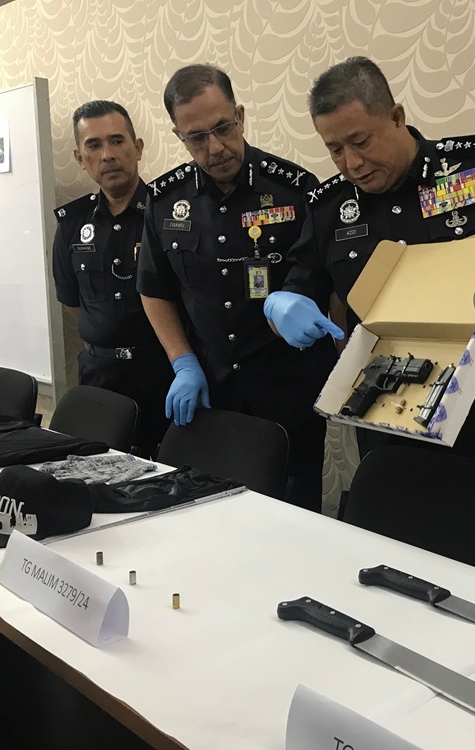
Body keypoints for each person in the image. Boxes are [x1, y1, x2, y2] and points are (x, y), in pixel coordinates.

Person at [263, 56, 475, 473]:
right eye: (334, 149)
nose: (351, 163)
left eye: (361, 141)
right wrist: (281, 307)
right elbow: (297, 290)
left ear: (397, 116)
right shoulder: (330, 206)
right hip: (386, 409)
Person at [137, 65, 338, 512]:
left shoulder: (295, 189)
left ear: (240, 115)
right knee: (210, 512)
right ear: (179, 136)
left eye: (223, 128)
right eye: (197, 137)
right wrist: (183, 362)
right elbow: (154, 289)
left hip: (289, 393)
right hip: (213, 389)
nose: (214, 147)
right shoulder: (165, 200)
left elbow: (324, 278)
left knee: (293, 514)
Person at [52, 100, 172, 458]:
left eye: (117, 141)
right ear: (80, 158)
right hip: (99, 377)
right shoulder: (72, 224)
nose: (107, 155)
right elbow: (72, 302)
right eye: (94, 145)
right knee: (98, 475)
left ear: (137, 148)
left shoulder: (170, 215)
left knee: (165, 479)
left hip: (161, 375)